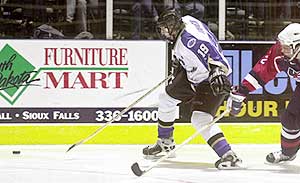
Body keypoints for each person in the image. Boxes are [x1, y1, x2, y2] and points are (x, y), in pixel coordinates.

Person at [142, 9, 243, 169]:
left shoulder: (190, 41)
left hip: (210, 79)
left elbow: (210, 51)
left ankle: (228, 155)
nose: (162, 31)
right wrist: (179, 62)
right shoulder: (186, 20)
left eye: (164, 28)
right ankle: (165, 142)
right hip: (193, 74)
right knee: (166, 99)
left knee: (200, 119)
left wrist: (218, 71)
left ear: (173, 26)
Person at [227, 23, 300, 164]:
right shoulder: (280, 52)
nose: (282, 49)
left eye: (286, 47)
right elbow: (263, 71)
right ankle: (288, 153)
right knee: (290, 118)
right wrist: (242, 91)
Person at [131, 0, 204, 39]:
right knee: (171, 6)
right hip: (158, 5)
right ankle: (172, 35)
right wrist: (155, 15)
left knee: (199, 8)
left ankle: (196, 34)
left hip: (184, 4)